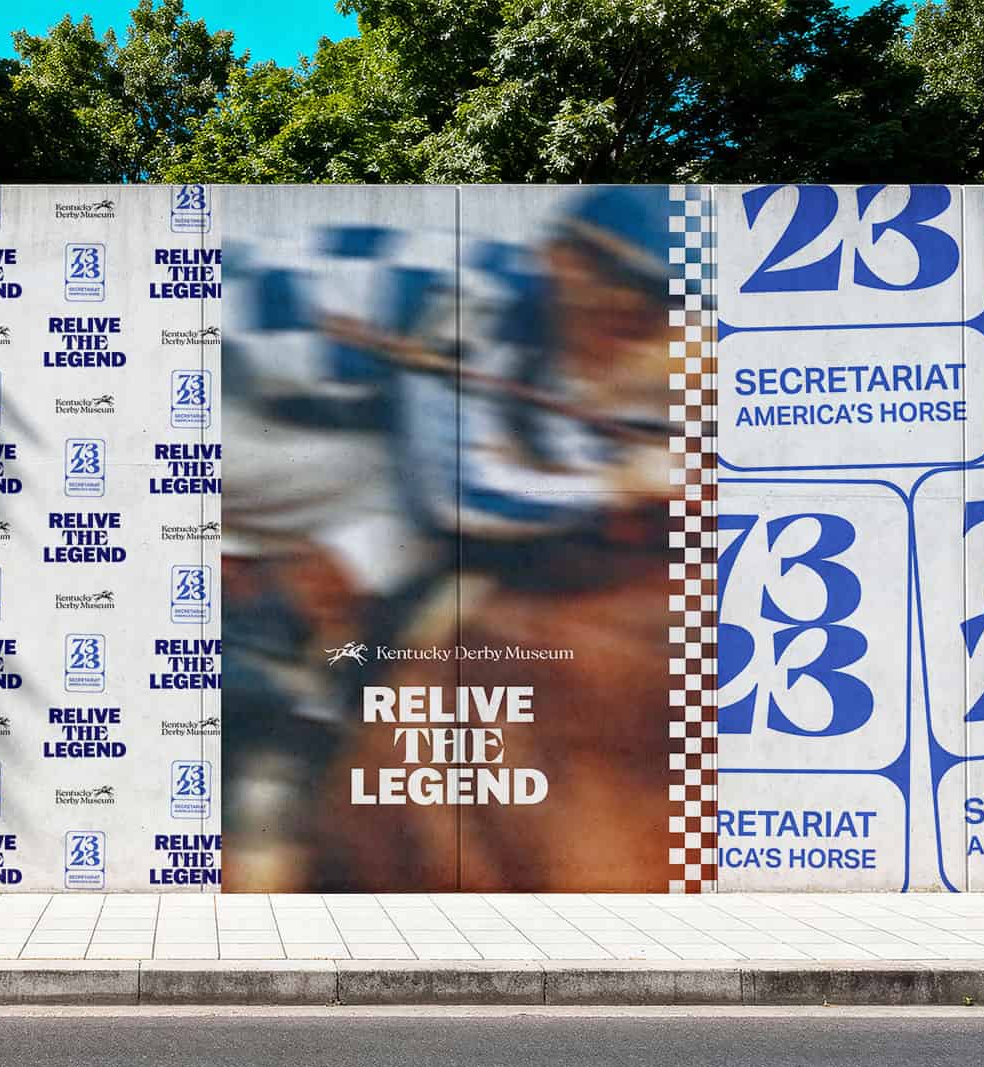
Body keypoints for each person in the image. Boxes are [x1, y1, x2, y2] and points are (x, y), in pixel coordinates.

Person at [220, 187, 674, 890]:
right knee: (413, 498)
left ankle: (299, 662)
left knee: (473, 488)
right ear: (561, 259)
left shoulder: (547, 323)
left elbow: (554, 449)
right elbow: (458, 495)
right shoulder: (471, 300)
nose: (636, 312)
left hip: (280, 404)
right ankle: (268, 647)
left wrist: (633, 466)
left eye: (657, 298)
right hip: (195, 390)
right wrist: (617, 487)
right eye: (622, 282)